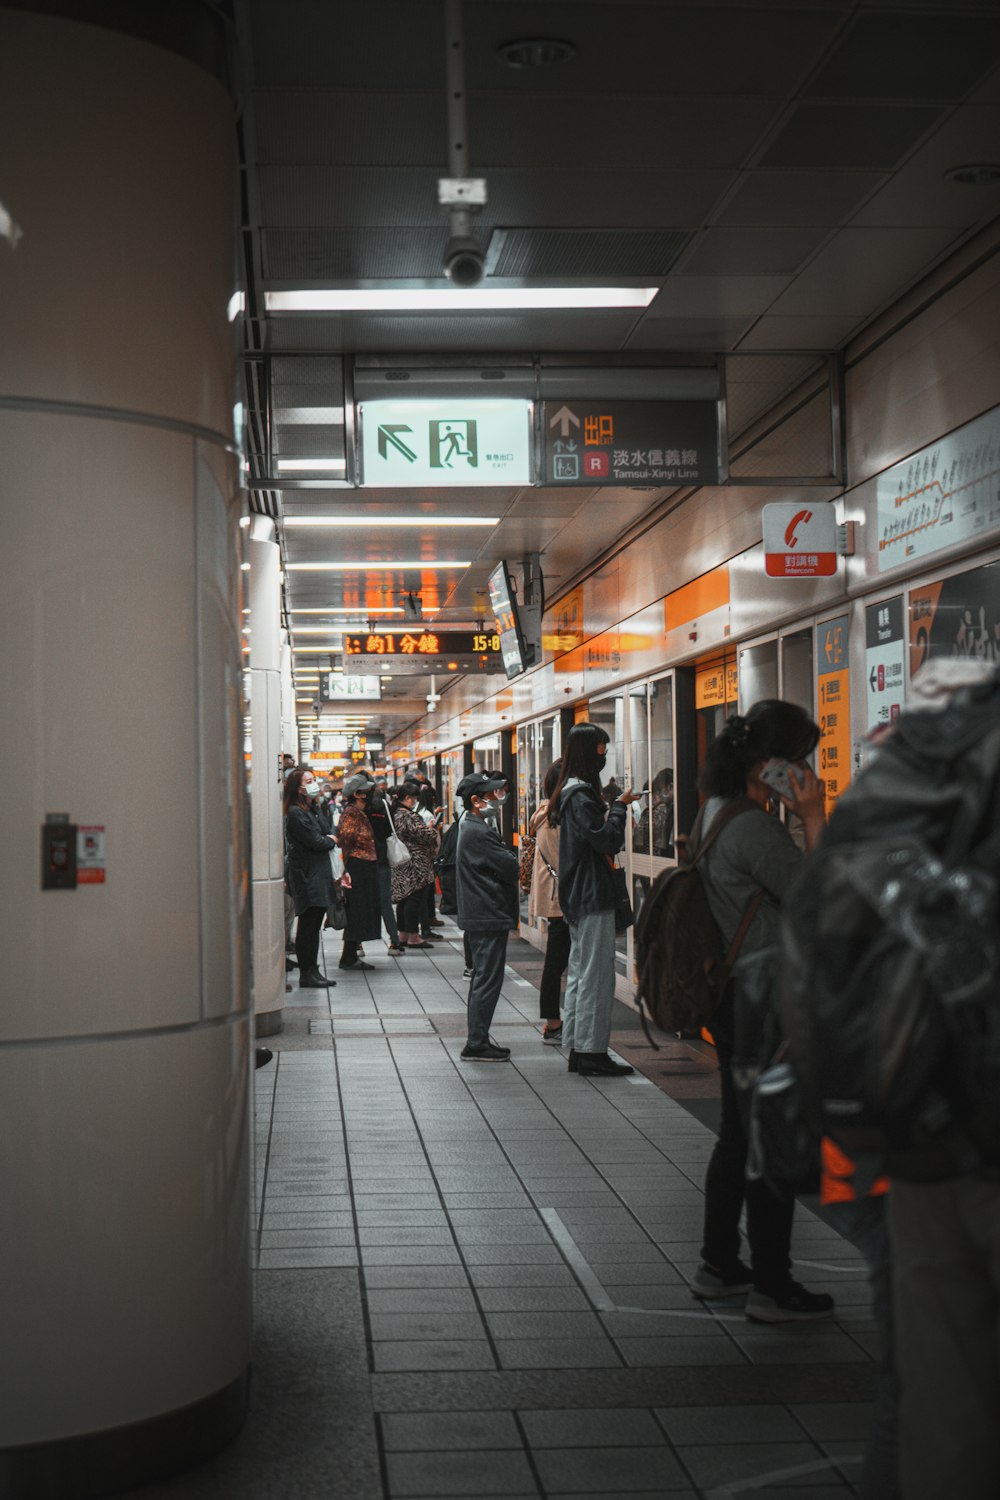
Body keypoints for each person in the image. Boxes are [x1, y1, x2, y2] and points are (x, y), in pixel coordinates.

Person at [691, 700, 833, 1322]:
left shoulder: (716, 814)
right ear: (772, 764)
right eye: (801, 757)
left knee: (738, 1133)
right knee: (769, 1139)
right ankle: (773, 1287)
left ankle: (720, 1264)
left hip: (733, 999)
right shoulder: (755, 828)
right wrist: (813, 814)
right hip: (766, 1003)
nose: (807, 767)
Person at [549, 725, 637, 1078]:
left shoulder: (568, 794)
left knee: (581, 975)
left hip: (577, 896)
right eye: (601, 749)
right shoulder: (582, 797)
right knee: (597, 977)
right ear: (589, 752)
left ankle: (578, 1046)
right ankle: (591, 1052)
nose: (604, 755)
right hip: (592, 894)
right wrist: (619, 808)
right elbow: (606, 840)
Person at [455, 772, 518, 1062]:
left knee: (483, 977)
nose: (497, 798)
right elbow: (509, 865)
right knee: (487, 979)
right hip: (487, 912)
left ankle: (477, 1039)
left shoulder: (471, 825)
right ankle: (477, 1042)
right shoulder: (477, 830)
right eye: (491, 794)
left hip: (481, 911)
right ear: (476, 801)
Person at [283, 766, 338, 989]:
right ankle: (307, 972)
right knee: (308, 924)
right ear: (298, 788)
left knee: (313, 925)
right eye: (309, 781)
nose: (314, 784)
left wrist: (319, 806)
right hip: (307, 875)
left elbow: (327, 828)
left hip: (317, 873)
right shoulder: (296, 813)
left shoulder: (310, 809)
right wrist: (331, 840)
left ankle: (313, 970)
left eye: (314, 779)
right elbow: (318, 841)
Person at [528, 759, 569, 1045]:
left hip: (554, 897)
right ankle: (553, 1023)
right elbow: (562, 860)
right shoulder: (555, 817)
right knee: (557, 963)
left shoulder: (543, 813)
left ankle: (553, 1021)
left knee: (556, 962)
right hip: (562, 900)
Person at [336, 773, 382, 970]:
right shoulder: (351, 813)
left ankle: (350, 954)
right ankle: (348, 957)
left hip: (365, 867)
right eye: (367, 791)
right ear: (358, 794)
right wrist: (344, 870)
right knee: (355, 911)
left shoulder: (360, 813)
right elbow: (345, 842)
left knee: (360, 911)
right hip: (357, 868)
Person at [390, 780, 439, 949]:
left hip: (402, 862)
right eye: (414, 798)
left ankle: (402, 935)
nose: (416, 801)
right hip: (415, 865)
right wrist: (431, 828)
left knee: (404, 899)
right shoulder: (407, 816)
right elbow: (425, 835)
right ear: (408, 798)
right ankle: (413, 936)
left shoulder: (395, 814)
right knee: (414, 899)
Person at [366, 781, 406, 956]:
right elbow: (391, 831)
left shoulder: (360, 808)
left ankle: (356, 946)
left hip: (363, 859)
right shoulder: (384, 805)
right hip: (382, 858)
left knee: (361, 902)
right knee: (385, 903)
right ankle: (394, 942)